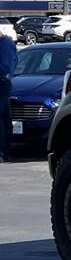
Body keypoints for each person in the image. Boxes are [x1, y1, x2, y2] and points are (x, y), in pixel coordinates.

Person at [0, 27, 17, 162]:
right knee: (4, 118)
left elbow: (6, 67)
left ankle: (2, 151)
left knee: (2, 119)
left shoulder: (5, 44)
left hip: (2, 83)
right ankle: (4, 151)